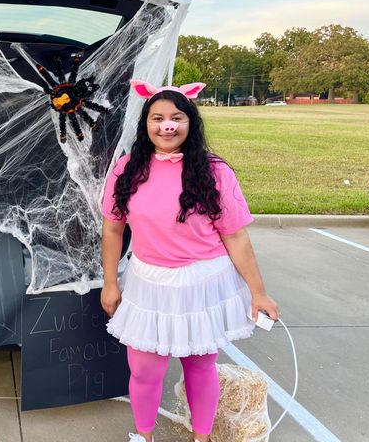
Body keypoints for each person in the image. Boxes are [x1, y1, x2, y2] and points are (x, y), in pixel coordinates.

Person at [100, 80, 279, 442]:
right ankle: (144, 436)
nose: (167, 126)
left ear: (190, 122)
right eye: (158, 118)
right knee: (145, 370)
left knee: (200, 366)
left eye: (177, 117)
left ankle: (202, 437)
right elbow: (113, 230)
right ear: (146, 124)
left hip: (202, 282)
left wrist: (259, 292)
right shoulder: (127, 169)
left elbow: (236, 236)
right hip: (149, 280)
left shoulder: (214, 171)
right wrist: (110, 282)